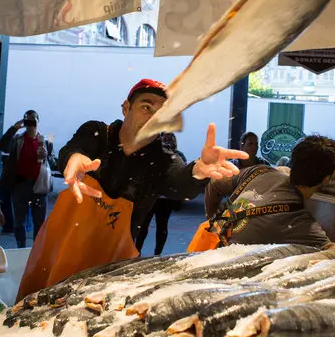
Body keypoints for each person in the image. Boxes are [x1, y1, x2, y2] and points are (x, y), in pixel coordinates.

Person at [16, 79, 248, 301]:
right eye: (146, 107)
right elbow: (74, 149)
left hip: (109, 267)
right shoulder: (97, 133)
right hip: (60, 248)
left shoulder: (163, 160)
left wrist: (199, 169)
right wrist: (73, 159)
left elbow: (181, 183)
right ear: (126, 108)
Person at [189, 135, 335, 251]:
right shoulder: (301, 224)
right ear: (326, 179)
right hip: (219, 280)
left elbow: (215, 184)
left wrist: (212, 218)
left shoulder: (258, 171)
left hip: (200, 251)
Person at [0, 110, 56, 248]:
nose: (31, 124)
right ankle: (21, 248)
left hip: (39, 186)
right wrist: (14, 128)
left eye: (33, 121)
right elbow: (2, 146)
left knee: (39, 223)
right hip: (20, 185)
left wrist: (47, 156)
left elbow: (54, 163)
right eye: (27, 121)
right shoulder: (18, 140)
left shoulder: (45, 142)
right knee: (19, 222)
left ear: (38, 122)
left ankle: (36, 251)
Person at [134, 133, 187, 256]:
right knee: (145, 225)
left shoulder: (176, 156)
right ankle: (138, 251)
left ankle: (153, 253)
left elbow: (182, 176)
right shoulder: (167, 154)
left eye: (169, 138)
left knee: (158, 225)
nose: (166, 141)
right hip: (154, 196)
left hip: (163, 198)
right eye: (164, 138)